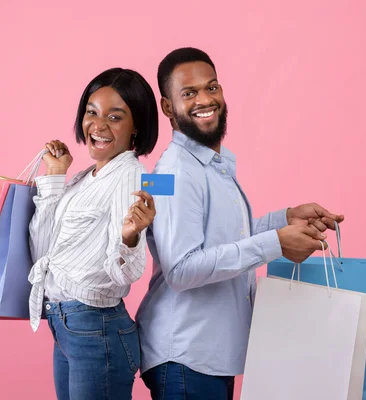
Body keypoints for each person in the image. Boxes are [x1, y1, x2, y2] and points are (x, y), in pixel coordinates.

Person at [136, 48, 345, 399]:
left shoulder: (206, 165)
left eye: (212, 87)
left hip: (208, 355)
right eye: (189, 93)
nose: (205, 99)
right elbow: (181, 269)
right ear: (168, 107)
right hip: (187, 356)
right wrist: (276, 242)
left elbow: (221, 238)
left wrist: (285, 220)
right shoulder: (174, 171)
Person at [27, 67, 159, 400]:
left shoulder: (129, 175)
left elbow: (124, 275)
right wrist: (57, 176)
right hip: (66, 325)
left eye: (114, 117)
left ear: (135, 128)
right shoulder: (86, 177)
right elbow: (43, 252)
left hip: (94, 328)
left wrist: (129, 239)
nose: (97, 127)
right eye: (91, 112)